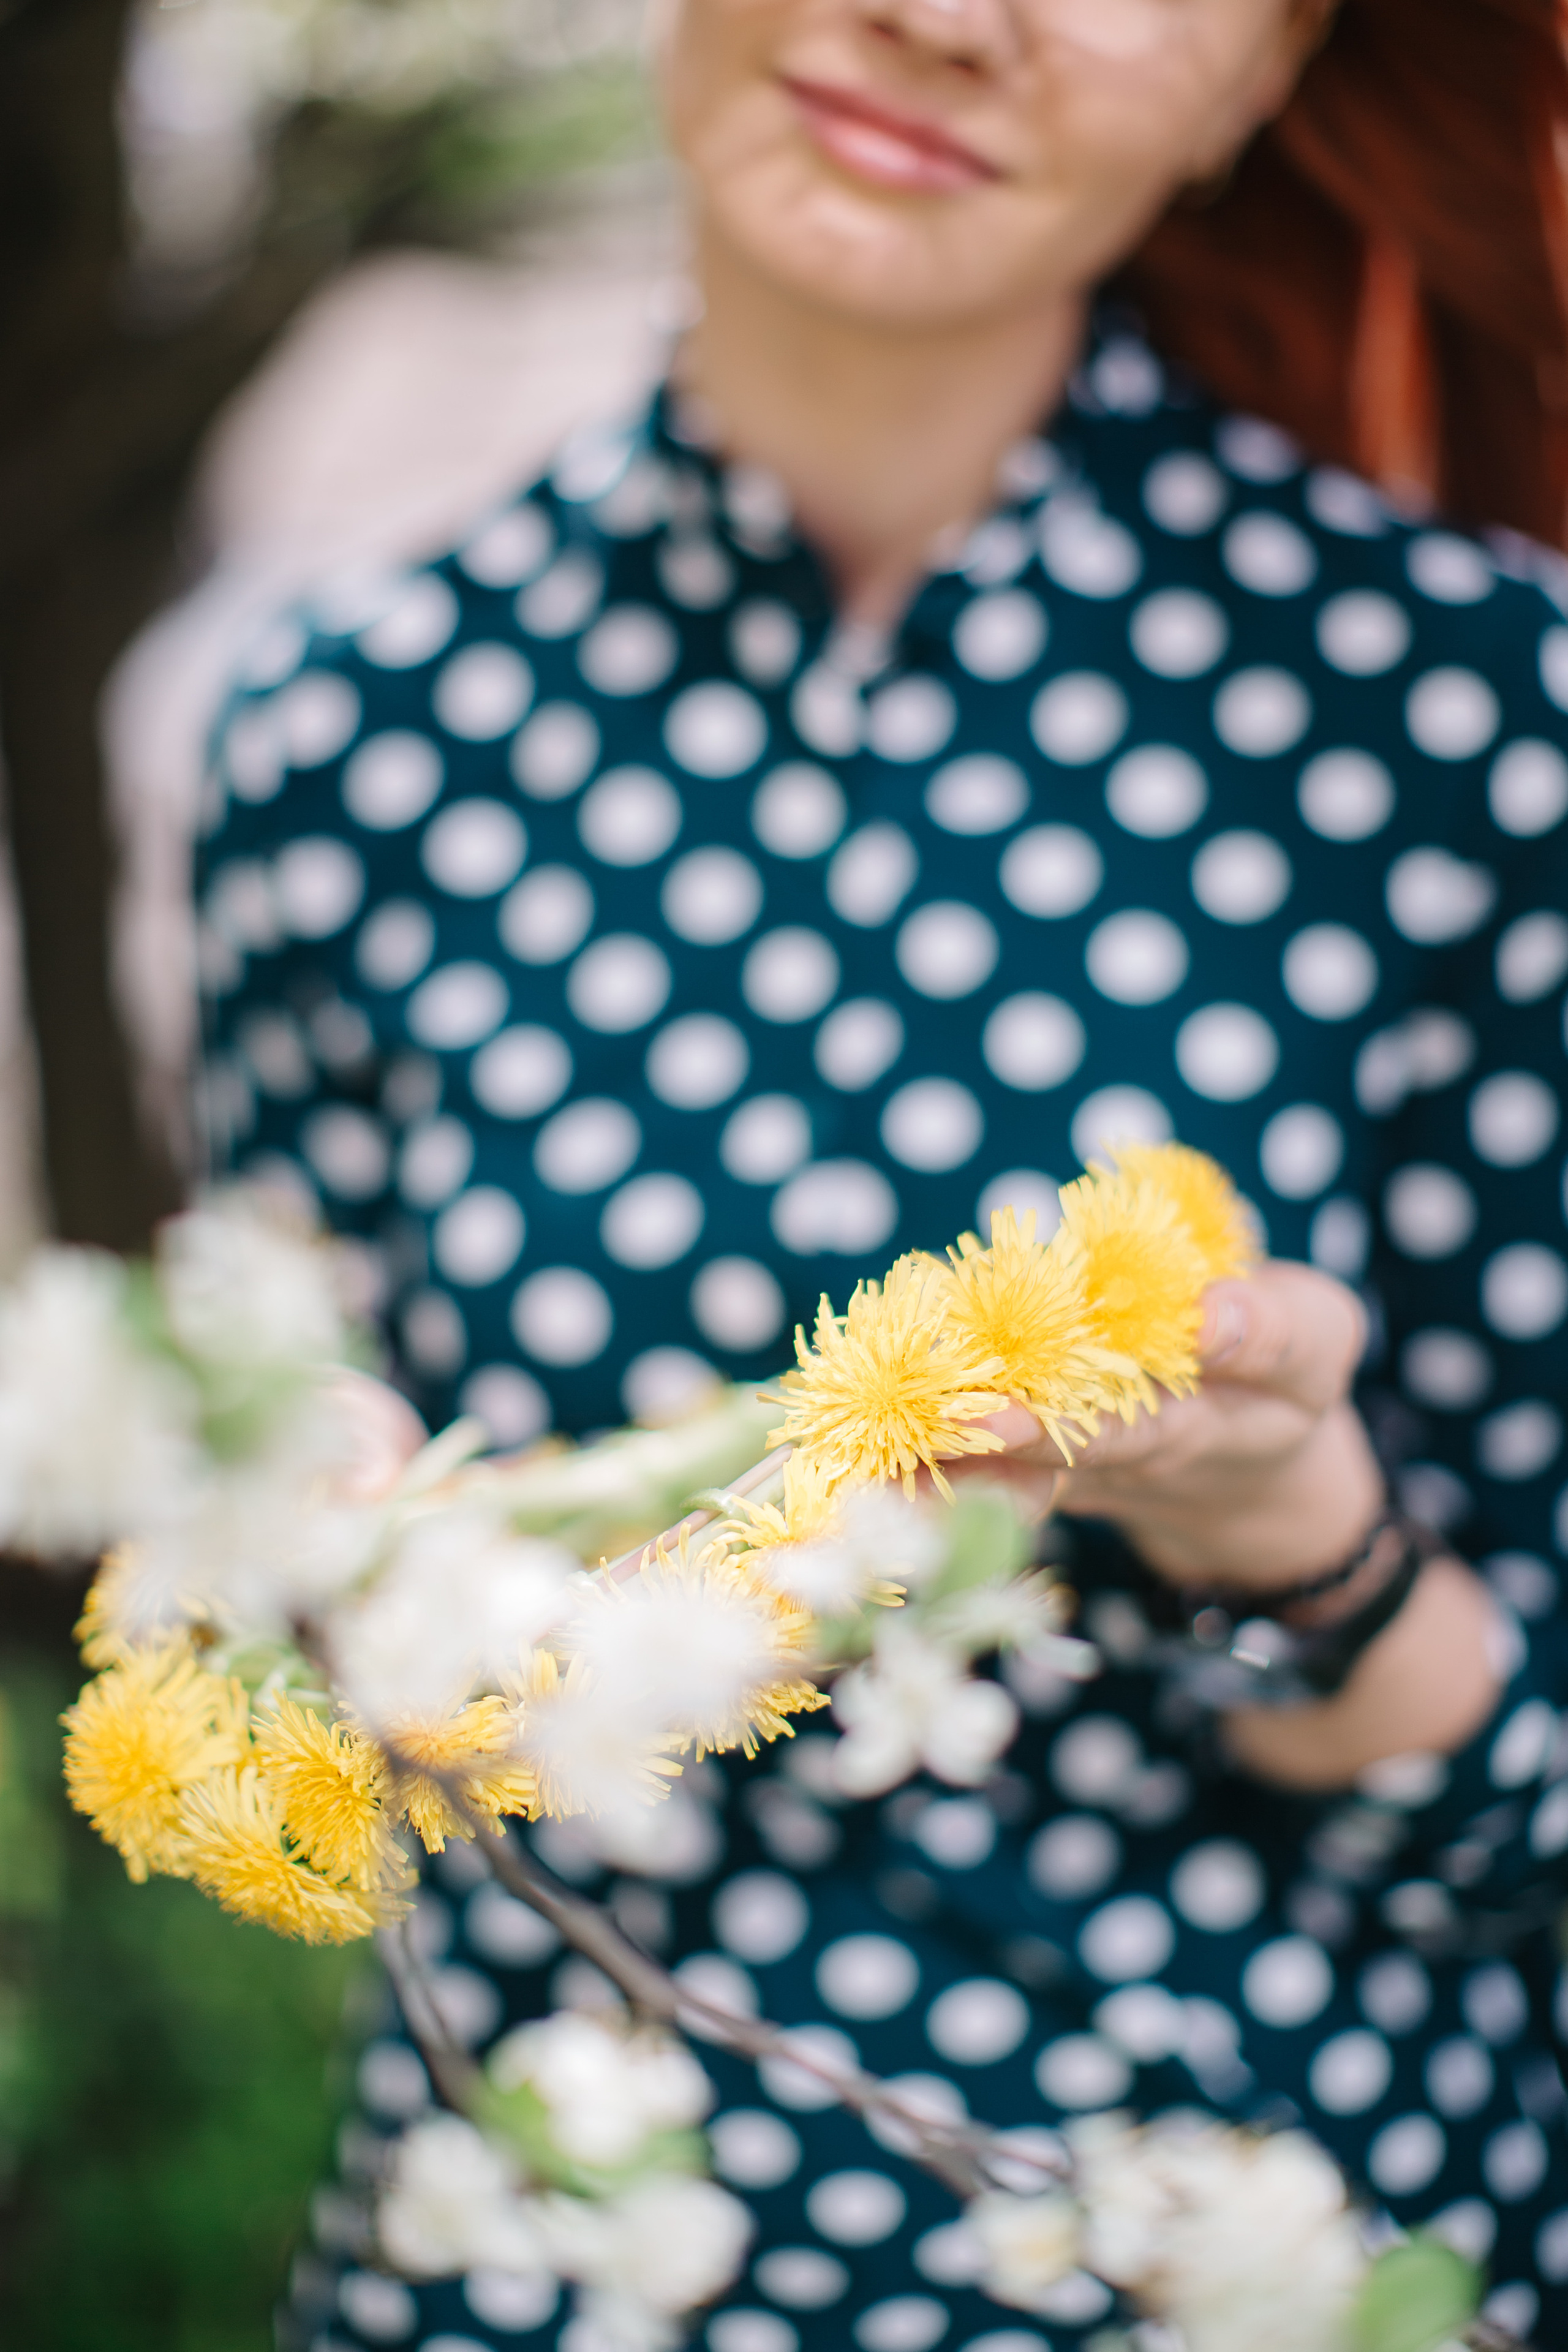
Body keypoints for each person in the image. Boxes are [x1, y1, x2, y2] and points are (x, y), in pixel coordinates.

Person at [198, 0, 1568, 2340]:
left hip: (1259, 2249)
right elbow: (300, 1585)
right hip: (533, 2265)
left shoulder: (1474, 738)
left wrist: (1296, 1546)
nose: (947, 14)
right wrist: (295, 1592)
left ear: (1269, 72)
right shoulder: (344, 738)